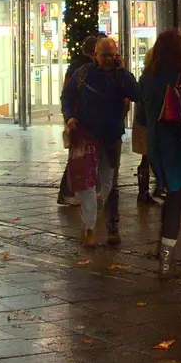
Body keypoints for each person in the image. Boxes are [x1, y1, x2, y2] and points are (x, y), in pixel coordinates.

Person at [61, 35, 140, 248]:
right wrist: (69, 117)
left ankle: (112, 227)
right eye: (104, 55)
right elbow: (67, 97)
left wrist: (121, 70)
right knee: (87, 183)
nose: (107, 59)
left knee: (110, 183)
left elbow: (135, 93)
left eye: (112, 55)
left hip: (111, 136)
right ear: (95, 55)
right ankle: (89, 227)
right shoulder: (84, 74)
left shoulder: (120, 75)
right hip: (87, 135)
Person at [137, 29, 181, 278]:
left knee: (171, 195)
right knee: (176, 197)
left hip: (157, 144)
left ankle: (165, 248)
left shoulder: (147, 77)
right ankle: (166, 258)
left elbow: (142, 116)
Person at [58, 35, 100, 206]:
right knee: (78, 156)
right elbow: (69, 94)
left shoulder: (77, 65)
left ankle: (75, 191)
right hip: (79, 118)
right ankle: (67, 192)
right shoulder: (84, 68)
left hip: (75, 117)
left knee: (80, 155)